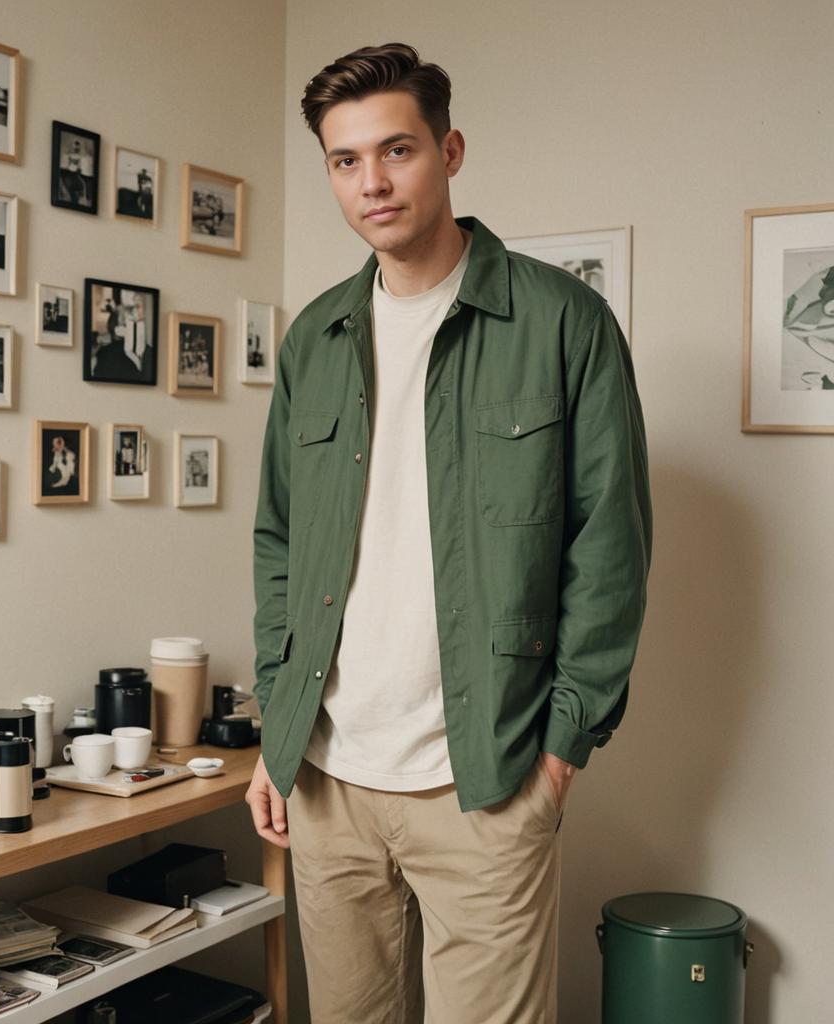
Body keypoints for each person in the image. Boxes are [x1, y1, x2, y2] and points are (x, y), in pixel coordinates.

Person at [246, 43, 651, 1024]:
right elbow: (278, 542)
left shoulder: (564, 323)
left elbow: (611, 550)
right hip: (329, 779)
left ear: (449, 150)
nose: (372, 182)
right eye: (345, 160)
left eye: (397, 150)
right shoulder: (316, 338)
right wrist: (276, 725)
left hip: (487, 777)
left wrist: (558, 755)